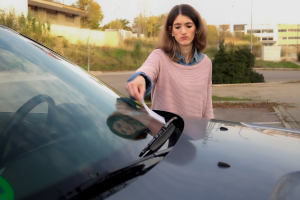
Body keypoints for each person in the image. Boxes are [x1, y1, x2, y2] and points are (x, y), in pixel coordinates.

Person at [126, 4, 214, 119]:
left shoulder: (206, 63)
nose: (183, 31)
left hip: (196, 134)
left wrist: (209, 130)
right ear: (171, 30)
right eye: (177, 27)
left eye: (188, 26)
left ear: (196, 28)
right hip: (166, 134)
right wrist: (140, 78)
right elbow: (148, 68)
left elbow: (207, 105)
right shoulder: (159, 56)